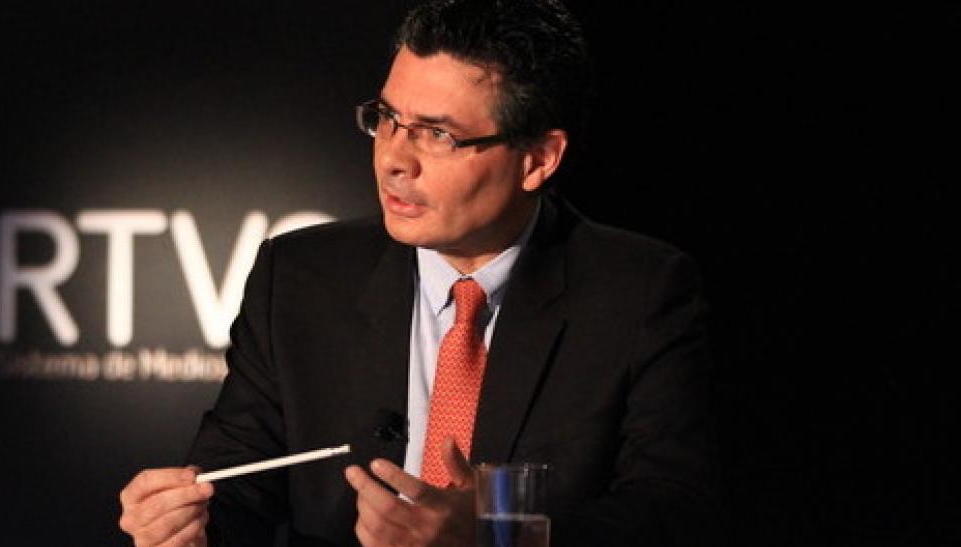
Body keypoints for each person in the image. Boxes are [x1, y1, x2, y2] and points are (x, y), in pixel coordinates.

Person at [119, 0, 721, 545]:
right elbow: (236, 483)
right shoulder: (300, 277)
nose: (393, 158)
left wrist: (497, 535)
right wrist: (187, 528)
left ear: (538, 160)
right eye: (387, 118)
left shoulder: (639, 293)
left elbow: (674, 512)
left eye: (437, 134)